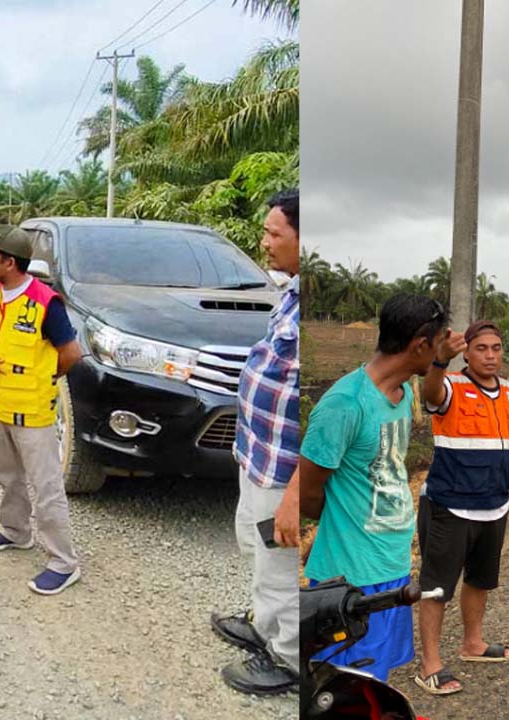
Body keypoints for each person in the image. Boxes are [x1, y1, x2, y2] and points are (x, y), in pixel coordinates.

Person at [299, 293, 447, 682]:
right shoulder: (344, 405)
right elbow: (308, 489)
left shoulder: (404, 394)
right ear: (419, 345)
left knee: (374, 680)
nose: (438, 353)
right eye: (436, 345)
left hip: (392, 564)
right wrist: (336, 526)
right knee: (345, 681)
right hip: (352, 577)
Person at [213, 189, 301, 695]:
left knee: (280, 562)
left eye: (274, 233)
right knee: (257, 547)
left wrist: (295, 492)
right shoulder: (289, 293)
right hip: (259, 455)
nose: (264, 242)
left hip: (284, 468)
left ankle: (287, 659)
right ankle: (265, 626)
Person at [0, 225, 84, 595]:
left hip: (31, 412)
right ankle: (16, 533)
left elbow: (71, 354)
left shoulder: (45, 302)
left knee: (47, 486)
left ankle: (63, 562)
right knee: (8, 476)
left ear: (9, 262)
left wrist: (42, 378)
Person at [413, 320, 509, 696]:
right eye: (481, 348)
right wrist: (439, 361)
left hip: (493, 506)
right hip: (450, 505)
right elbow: (429, 393)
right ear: (467, 353)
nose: (491, 355)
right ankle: (430, 665)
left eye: (497, 348)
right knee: (437, 588)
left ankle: (473, 644)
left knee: (480, 579)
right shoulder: (451, 387)